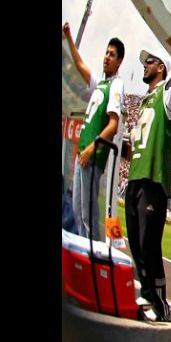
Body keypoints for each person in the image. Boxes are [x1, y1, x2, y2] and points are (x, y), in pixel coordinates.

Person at [125, 49, 171, 322]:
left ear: (161, 67)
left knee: (148, 244)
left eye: (148, 62)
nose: (144, 66)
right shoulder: (145, 100)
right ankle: (146, 295)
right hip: (135, 177)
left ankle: (161, 305)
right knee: (136, 246)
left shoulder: (167, 95)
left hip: (153, 180)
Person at [62, 22, 125, 240]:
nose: (106, 57)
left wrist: (92, 147)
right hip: (82, 157)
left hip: (92, 157)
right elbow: (80, 65)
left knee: (87, 218)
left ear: (119, 62)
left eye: (112, 54)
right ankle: (82, 261)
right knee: (79, 215)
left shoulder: (116, 86)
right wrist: (69, 37)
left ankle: (94, 263)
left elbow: (113, 125)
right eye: (106, 53)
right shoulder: (99, 85)